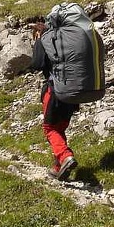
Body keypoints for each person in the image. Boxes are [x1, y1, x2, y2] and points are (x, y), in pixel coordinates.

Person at [30, 21, 79, 181]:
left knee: (49, 128)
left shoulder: (43, 39)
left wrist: (38, 42)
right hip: (73, 92)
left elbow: (37, 64)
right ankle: (59, 167)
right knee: (60, 128)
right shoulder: (66, 41)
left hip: (55, 90)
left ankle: (65, 156)